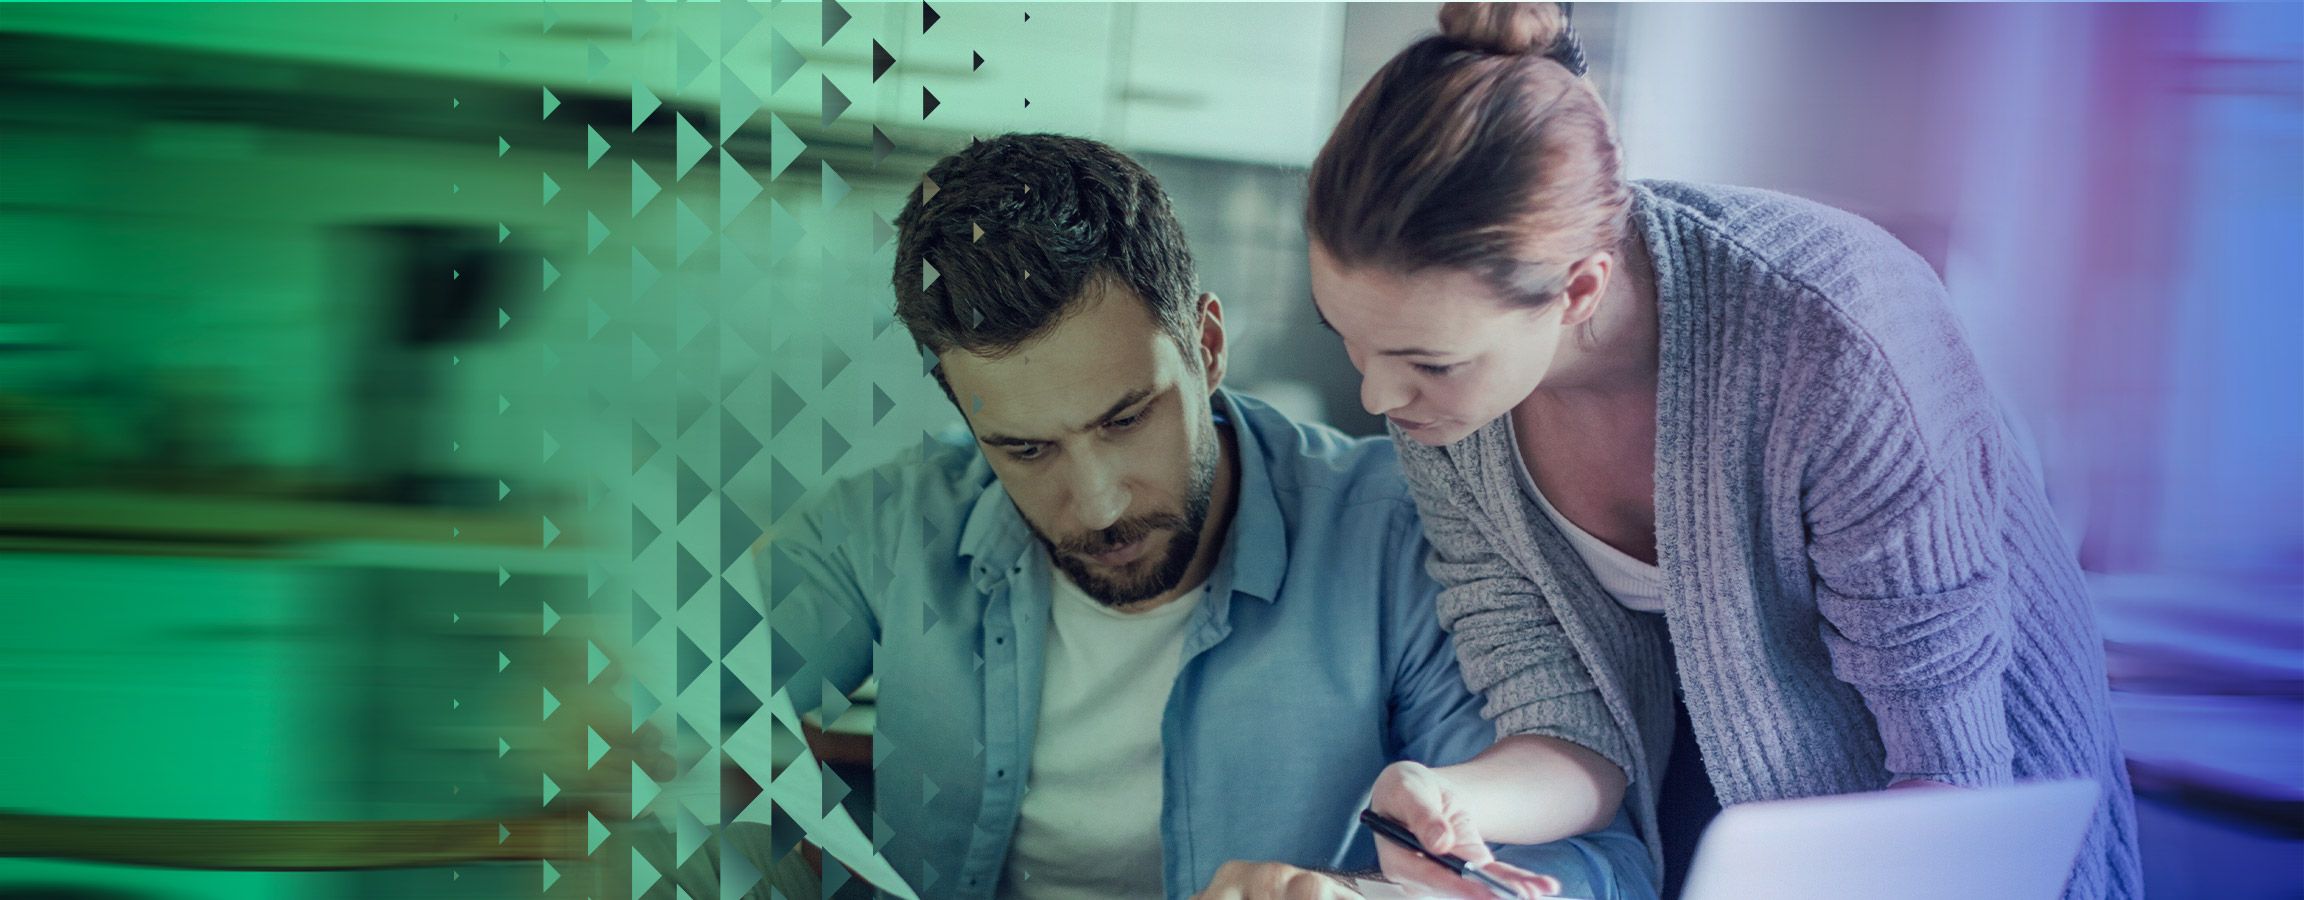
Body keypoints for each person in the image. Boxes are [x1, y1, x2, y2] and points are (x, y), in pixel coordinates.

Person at [1300, 4, 2142, 899]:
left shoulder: (1834, 334)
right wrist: (1446, 795)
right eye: (1349, 338)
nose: (1377, 399)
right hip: (1726, 824)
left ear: (1578, 288)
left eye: (1427, 361)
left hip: (1961, 829)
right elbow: (1567, 724)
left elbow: (1952, 775)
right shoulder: (1453, 413)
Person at [756, 133, 1655, 900]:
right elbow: (655, 709)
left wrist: (1364, 897)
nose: (1099, 502)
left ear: (1208, 345)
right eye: (1026, 450)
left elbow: (1596, 869)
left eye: (1127, 418)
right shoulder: (887, 525)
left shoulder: (1407, 537)